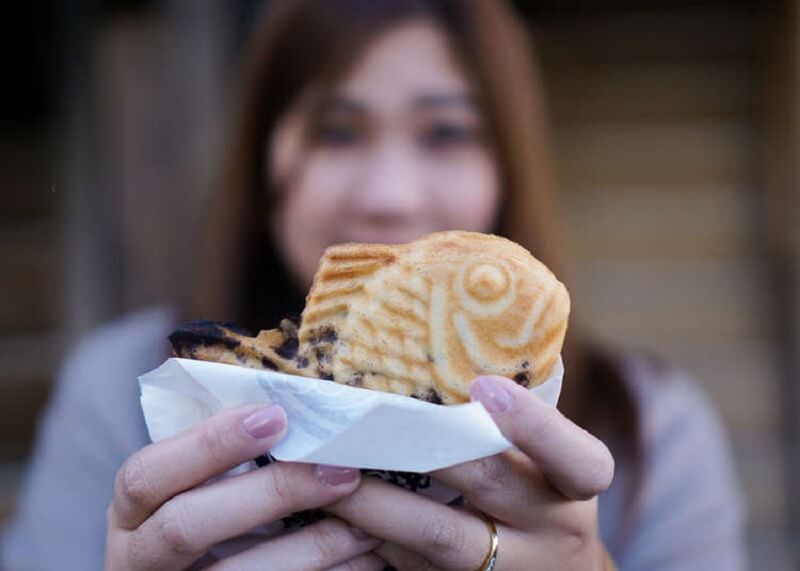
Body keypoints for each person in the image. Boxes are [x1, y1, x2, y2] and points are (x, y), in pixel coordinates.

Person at [2, 1, 746, 569]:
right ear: (267, 163)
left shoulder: (652, 431)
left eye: (445, 132)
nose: (390, 194)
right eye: (337, 130)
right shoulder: (124, 393)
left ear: (506, 166)